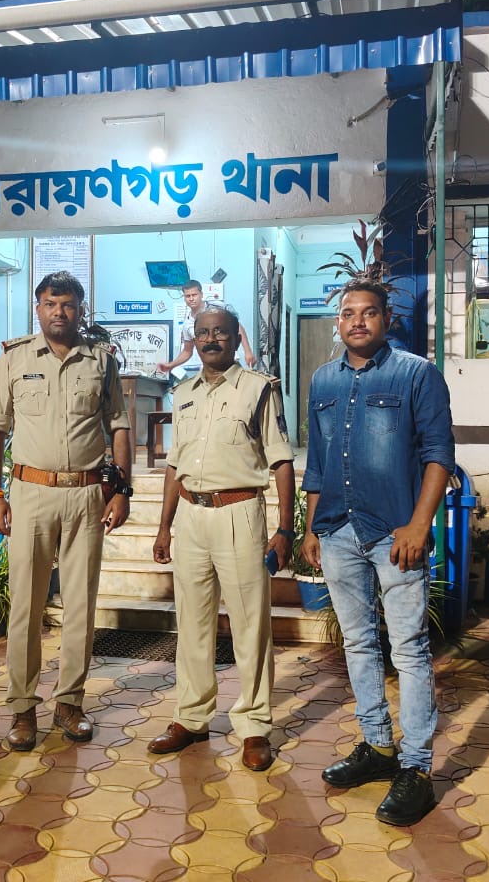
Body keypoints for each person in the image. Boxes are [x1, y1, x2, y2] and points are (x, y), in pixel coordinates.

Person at [299, 280, 455, 826]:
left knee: (408, 648)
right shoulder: (322, 380)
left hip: (395, 534)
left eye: (368, 313)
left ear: (387, 319)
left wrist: (418, 524)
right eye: (348, 313)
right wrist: (312, 528)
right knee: (359, 643)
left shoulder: (417, 375)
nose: (357, 321)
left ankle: (416, 768)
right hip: (337, 529)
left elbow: (439, 455)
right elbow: (318, 463)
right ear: (337, 323)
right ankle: (377, 745)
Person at [0, 271, 133, 752]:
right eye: (50, 304)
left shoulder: (101, 360)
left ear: (80, 309)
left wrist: (122, 490)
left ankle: (69, 703)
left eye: (67, 304)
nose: (59, 312)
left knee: (80, 605)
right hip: (30, 493)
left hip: (87, 496)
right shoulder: (14, 358)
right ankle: (22, 707)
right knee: (25, 605)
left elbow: (119, 426)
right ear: (38, 308)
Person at [149, 306, 294, 771]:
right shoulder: (183, 393)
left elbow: (281, 459)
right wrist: (164, 525)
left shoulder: (258, 389)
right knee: (192, 623)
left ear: (235, 338)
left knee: (250, 625)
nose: (211, 340)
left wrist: (285, 527)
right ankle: (191, 718)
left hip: (239, 513)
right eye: (203, 333)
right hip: (191, 515)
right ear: (195, 340)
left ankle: (253, 726)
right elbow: (175, 464)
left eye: (220, 333)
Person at [156, 279, 257, 374]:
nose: (191, 299)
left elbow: (237, 327)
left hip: (229, 362)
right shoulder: (187, 324)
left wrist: (248, 352)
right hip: (208, 365)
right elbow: (187, 351)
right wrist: (171, 365)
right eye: (187, 296)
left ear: (201, 294)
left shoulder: (218, 307)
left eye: (194, 295)